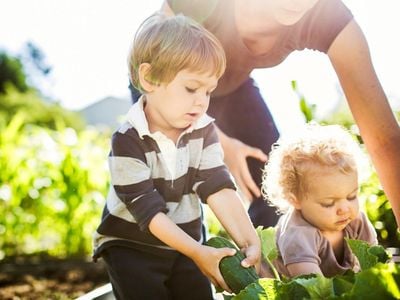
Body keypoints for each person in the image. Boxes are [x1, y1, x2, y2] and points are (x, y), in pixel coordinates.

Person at [147, 0, 400, 229]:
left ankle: (264, 273)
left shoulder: (327, 14)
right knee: (168, 197)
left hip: (232, 89)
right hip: (161, 86)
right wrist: (218, 142)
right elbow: (153, 70)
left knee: (272, 189)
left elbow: (386, 141)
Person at [93, 13, 260, 299]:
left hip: (188, 239)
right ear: (149, 78)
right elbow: (148, 212)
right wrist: (198, 252)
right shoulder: (127, 141)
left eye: (208, 91)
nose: (202, 100)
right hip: (131, 247)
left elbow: (217, 187)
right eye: (191, 88)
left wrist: (249, 239)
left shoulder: (203, 131)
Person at [262, 123, 378, 278]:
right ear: (295, 201)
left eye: (351, 197)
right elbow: (313, 288)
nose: (345, 208)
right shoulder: (297, 235)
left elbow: (375, 265)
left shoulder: (356, 222)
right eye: (328, 203)